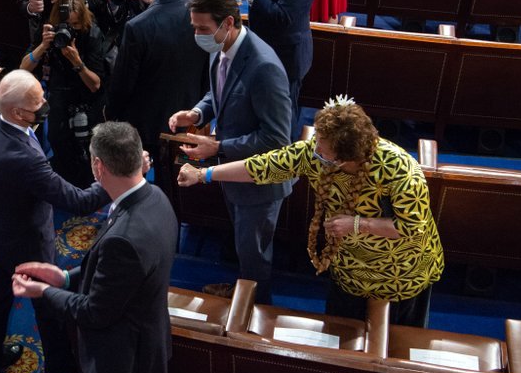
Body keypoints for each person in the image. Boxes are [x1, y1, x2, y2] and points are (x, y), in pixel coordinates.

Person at [177, 97, 445, 328]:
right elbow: (264, 166)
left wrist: (357, 224)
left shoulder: (400, 171)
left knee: (396, 345)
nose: (313, 151)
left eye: (322, 151)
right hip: (349, 268)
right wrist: (204, 174)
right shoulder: (315, 152)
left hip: (402, 271)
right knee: (342, 335)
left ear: (343, 160)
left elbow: (411, 227)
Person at [13, 121, 177, 373]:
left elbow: (94, 312)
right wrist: (63, 279)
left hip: (119, 365)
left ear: (98, 167)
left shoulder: (123, 241)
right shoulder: (157, 198)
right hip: (146, 341)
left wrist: (43, 292)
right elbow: (119, 278)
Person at [0, 70, 112, 373]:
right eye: (38, 102)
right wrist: (112, 177)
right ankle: (60, 365)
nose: (45, 103)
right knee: (47, 306)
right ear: (19, 113)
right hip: (28, 243)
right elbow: (78, 202)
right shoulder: (25, 158)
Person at [168, 0, 291, 303]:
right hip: (234, 172)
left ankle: (254, 315)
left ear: (228, 23)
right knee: (243, 247)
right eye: (194, 27)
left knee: (255, 257)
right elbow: (218, 94)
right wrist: (197, 112)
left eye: (203, 29)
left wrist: (218, 147)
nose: (197, 35)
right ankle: (245, 291)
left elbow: (276, 138)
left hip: (259, 183)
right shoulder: (219, 47)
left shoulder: (264, 67)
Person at [106, 0, 208, 154]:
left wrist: (110, 112)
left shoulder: (137, 27)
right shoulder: (201, 13)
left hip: (150, 123)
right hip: (193, 113)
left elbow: (124, 82)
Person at [20, 0, 113, 187]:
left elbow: (95, 85)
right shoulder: (50, 31)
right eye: (67, 25)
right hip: (59, 94)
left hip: (87, 99)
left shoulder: (92, 34)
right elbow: (23, 69)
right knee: (57, 140)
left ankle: (90, 186)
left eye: (76, 25)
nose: (70, 30)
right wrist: (43, 46)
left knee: (89, 147)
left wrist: (77, 62)